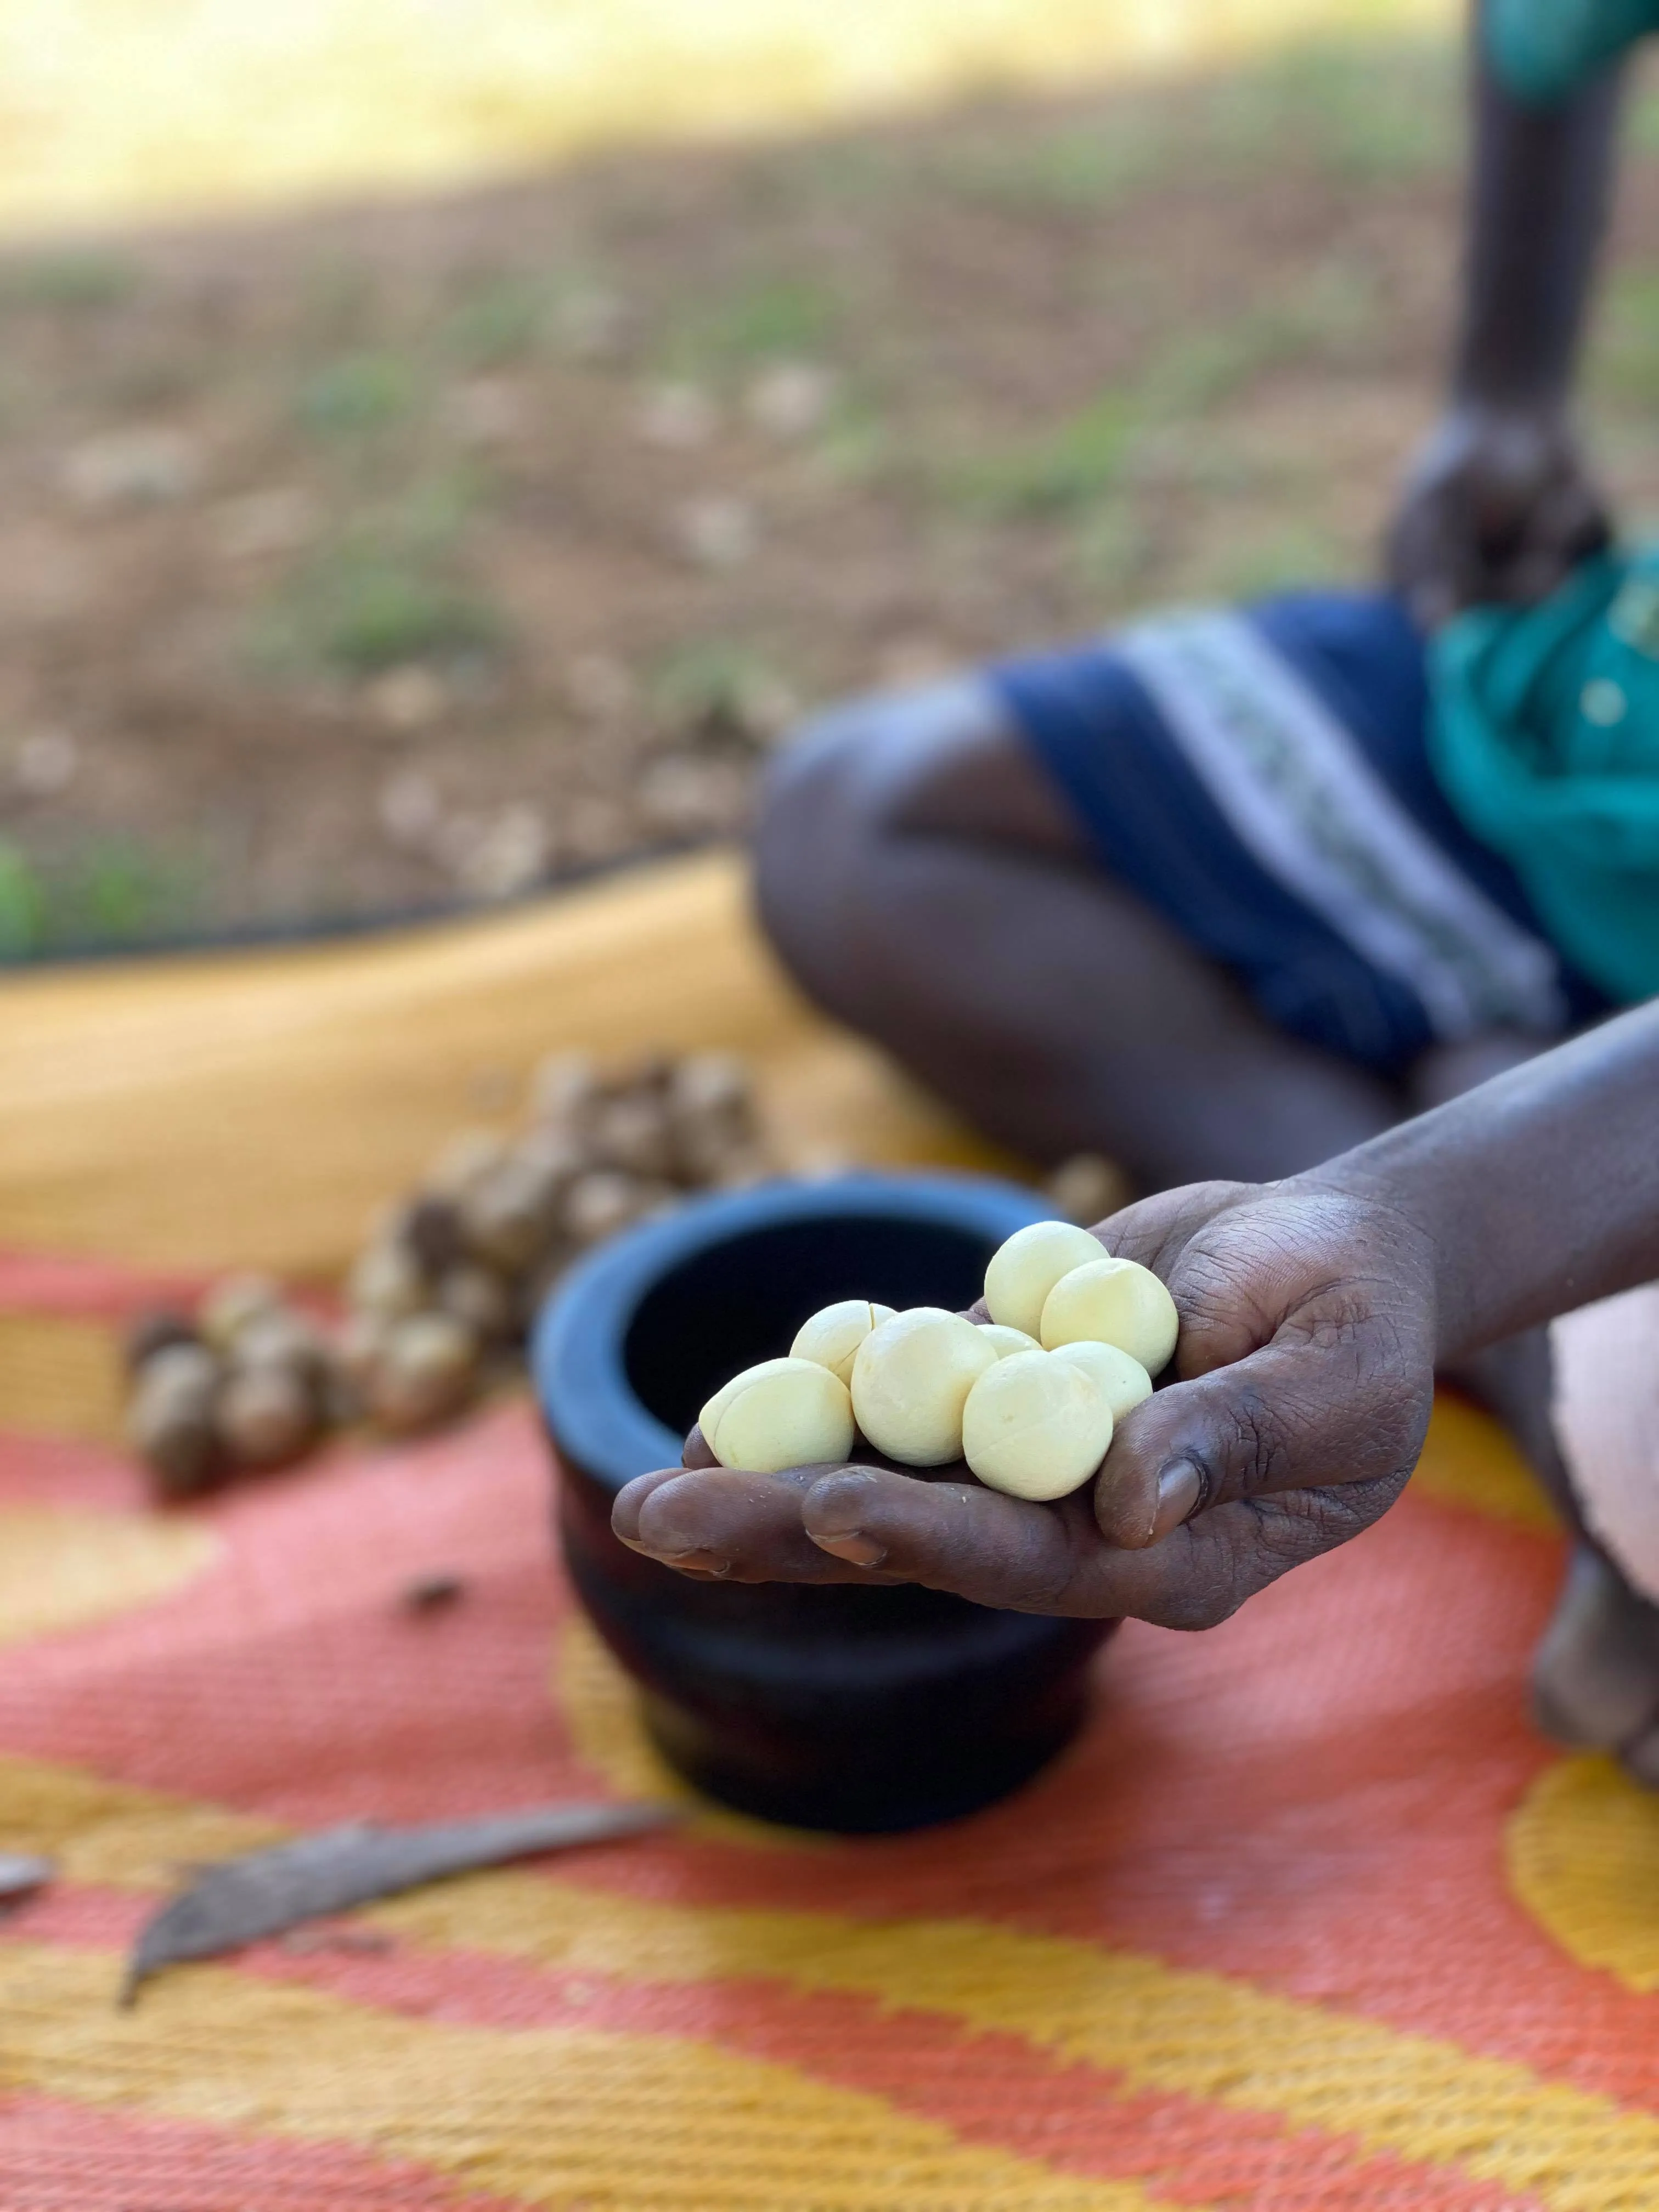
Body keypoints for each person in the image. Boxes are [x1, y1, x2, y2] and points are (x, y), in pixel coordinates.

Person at [618, 2, 1659, 1769]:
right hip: (1586, 718)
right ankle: (1520, 1246)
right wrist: (1500, 394)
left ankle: (1542, 1241)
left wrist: (1438, 1219)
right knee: (862, 828)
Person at [616, 1006, 1659, 1773]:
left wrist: (1411, 1231)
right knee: (852, 832)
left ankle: (1588, 1444)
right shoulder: (998, 1357)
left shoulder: (1039, 1369)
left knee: (1480, 1064)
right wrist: (1400, 1214)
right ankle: (1570, 1407)